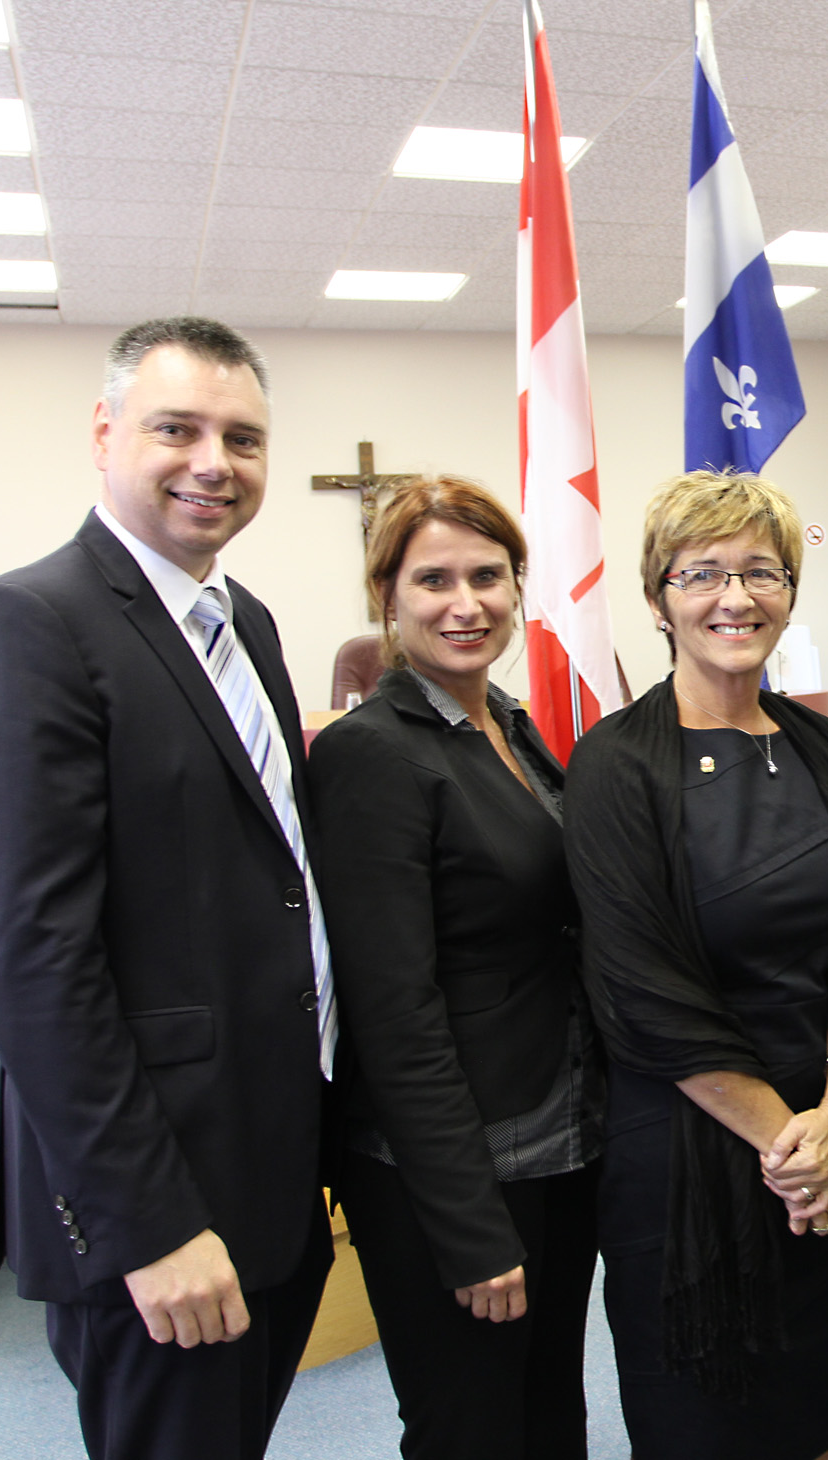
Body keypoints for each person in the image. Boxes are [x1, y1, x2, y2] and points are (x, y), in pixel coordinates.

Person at [0, 318, 333, 1459]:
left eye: (244, 439)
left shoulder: (239, 620)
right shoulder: (28, 624)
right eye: (178, 429)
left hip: (267, 1163)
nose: (216, 461)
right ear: (105, 434)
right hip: (159, 1196)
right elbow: (31, 962)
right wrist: (150, 1225)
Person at [561, 469, 828, 1460]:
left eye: (761, 572)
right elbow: (644, 996)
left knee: (817, 1412)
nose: (735, 599)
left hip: (827, 1123)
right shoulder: (616, 762)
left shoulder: (823, 744)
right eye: (702, 574)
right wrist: (798, 1153)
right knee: (712, 1425)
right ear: (659, 596)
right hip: (692, 1154)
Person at [308, 478, 603, 1456]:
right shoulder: (371, 755)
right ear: (386, 596)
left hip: (558, 1136)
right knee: (468, 1427)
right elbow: (394, 1012)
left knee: (550, 1407)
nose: (465, 602)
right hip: (455, 1166)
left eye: (488, 576)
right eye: (432, 579)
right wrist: (468, 1226)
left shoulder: (510, 727)